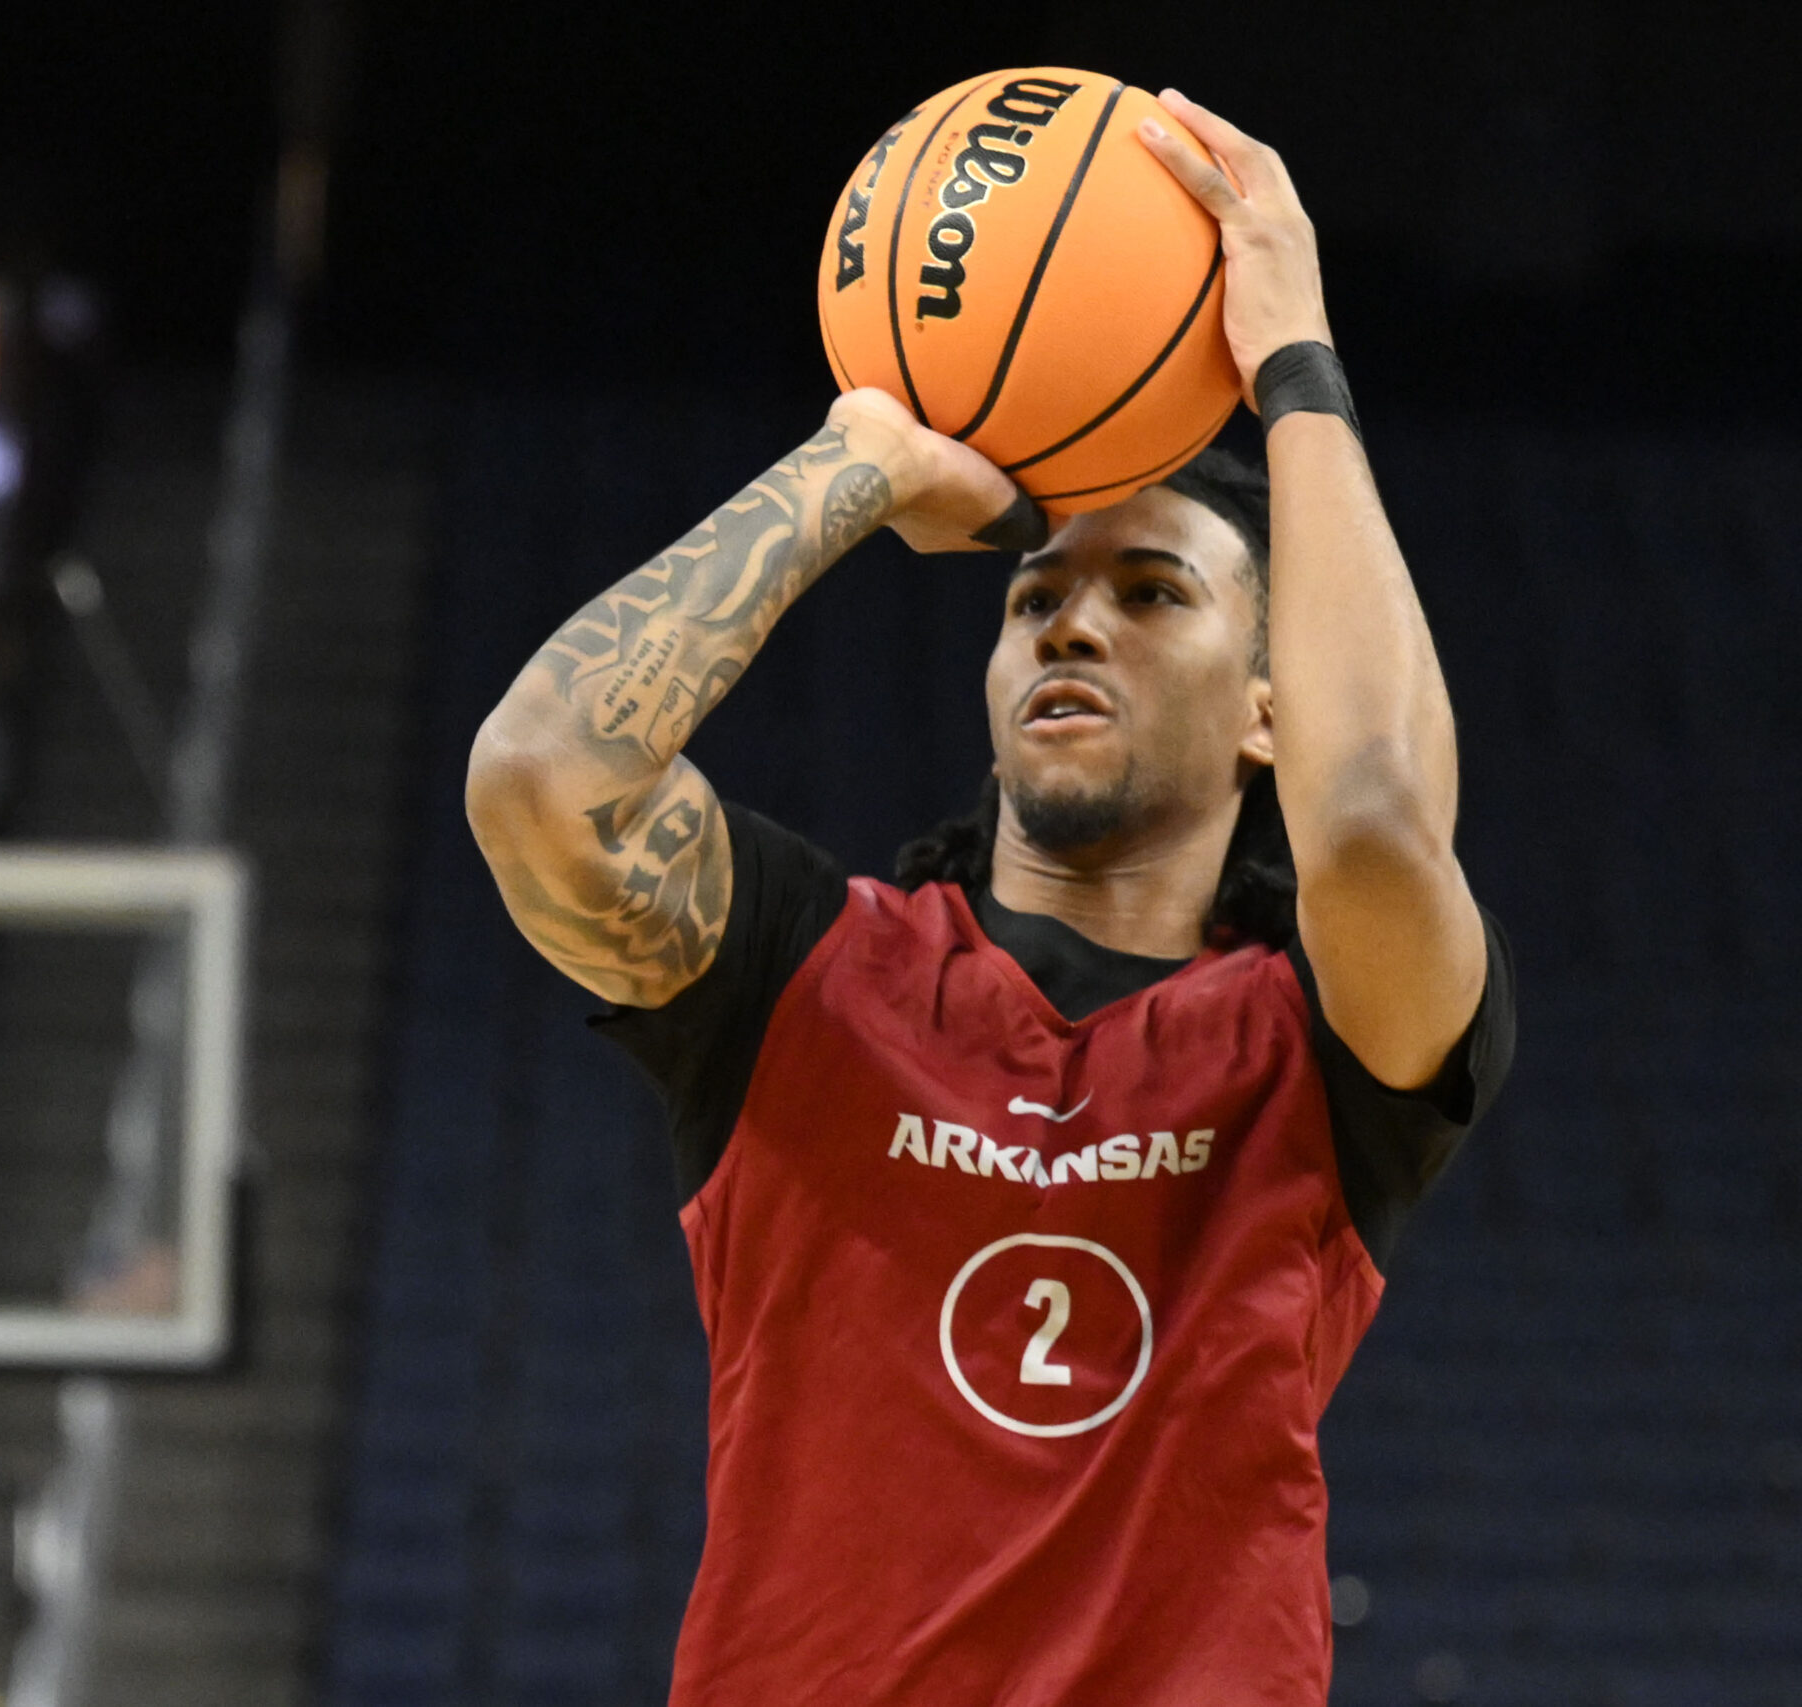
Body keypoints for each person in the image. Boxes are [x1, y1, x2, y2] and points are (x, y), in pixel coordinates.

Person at [464, 89, 1515, 1704]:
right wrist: (860, 458)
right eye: (1036, 595)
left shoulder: (1316, 1039)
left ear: (1269, 710)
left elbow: (1373, 823)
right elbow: (540, 779)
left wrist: (1294, 356)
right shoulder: (809, 971)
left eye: (1151, 591)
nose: (1071, 627)